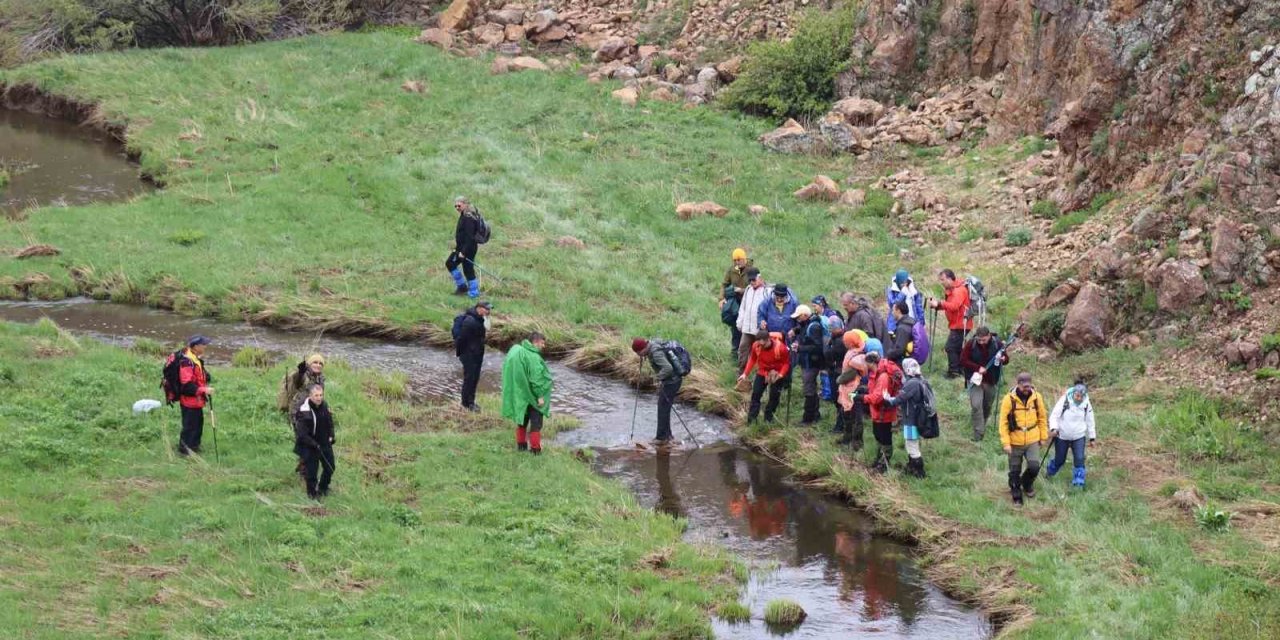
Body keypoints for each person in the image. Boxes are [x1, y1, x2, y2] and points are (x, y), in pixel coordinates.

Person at [998, 372, 1049, 506]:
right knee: (1014, 470)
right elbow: (1003, 422)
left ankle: (1026, 484)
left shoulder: (1037, 398)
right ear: (1018, 384)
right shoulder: (1008, 399)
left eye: (1028, 386)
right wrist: (1006, 442)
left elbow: (1042, 418)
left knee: (1034, 467)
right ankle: (1016, 495)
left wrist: (1043, 436)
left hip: (1033, 439)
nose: (1026, 389)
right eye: (1024, 386)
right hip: (1015, 441)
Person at [501, 332, 553, 454]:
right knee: (536, 424)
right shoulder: (533, 357)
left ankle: (521, 446)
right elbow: (536, 380)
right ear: (535, 342)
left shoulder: (517, 350)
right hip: (532, 397)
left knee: (522, 422)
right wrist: (540, 396)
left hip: (521, 394)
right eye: (542, 343)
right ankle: (535, 450)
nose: (543, 346)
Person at [883, 358, 934, 478]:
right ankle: (911, 467)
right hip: (917, 418)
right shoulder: (921, 380)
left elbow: (900, 399)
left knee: (912, 445)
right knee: (912, 443)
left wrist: (888, 399)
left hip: (911, 419)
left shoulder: (912, 383)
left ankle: (919, 473)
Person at [633, 337, 686, 444]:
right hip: (672, 380)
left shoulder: (656, 353)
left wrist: (658, 378)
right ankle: (667, 436)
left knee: (663, 408)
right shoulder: (653, 345)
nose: (639, 355)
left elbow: (668, 368)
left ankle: (662, 438)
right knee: (664, 407)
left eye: (639, 353)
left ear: (643, 349)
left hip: (672, 382)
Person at [960, 327, 1008, 441]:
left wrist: (1003, 359)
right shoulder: (971, 344)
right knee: (976, 406)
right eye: (979, 340)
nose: (981, 342)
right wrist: (977, 368)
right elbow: (963, 360)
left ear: (989, 336)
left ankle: (982, 425)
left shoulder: (998, 344)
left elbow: (1006, 360)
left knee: (987, 406)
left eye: (984, 340)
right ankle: (978, 434)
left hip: (991, 380)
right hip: (974, 380)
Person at [1047, 380, 1097, 489]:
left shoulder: (1086, 404)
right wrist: (1054, 428)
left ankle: (1078, 483)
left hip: (1079, 436)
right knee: (1060, 460)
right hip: (1062, 435)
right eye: (1077, 396)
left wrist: (1092, 437)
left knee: (1079, 459)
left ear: (1084, 396)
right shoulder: (1064, 400)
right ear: (1073, 393)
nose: (1078, 398)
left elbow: (1090, 420)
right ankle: (1050, 471)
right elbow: (1054, 416)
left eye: (1081, 397)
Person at [738, 332, 791, 424]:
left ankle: (768, 418)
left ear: (768, 340)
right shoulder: (756, 346)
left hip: (777, 373)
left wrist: (781, 375)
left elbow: (786, 364)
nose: (761, 346)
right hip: (762, 372)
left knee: (774, 397)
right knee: (756, 395)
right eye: (759, 344)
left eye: (763, 344)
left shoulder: (781, 348)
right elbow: (753, 359)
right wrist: (745, 374)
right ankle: (751, 421)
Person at [863, 352, 902, 473]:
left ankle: (884, 463)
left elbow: (878, 397)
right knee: (877, 434)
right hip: (877, 411)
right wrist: (864, 390)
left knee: (884, 437)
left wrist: (862, 397)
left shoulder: (883, 376)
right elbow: (874, 390)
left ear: (871, 363)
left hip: (884, 412)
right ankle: (879, 459)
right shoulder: (876, 373)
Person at [927, 269, 971, 378]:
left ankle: (953, 372)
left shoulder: (959, 290)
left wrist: (940, 303)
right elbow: (951, 306)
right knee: (957, 348)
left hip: (961, 324)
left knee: (950, 347)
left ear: (950, 279)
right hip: (959, 324)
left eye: (943, 280)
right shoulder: (953, 290)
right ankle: (960, 370)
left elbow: (954, 306)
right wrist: (938, 306)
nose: (941, 282)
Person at [294, 384, 336, 499]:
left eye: (321, 395)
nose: (319, 398)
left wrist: (332, 435)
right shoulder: (304, 410)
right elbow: (302, 434)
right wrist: (314, 444)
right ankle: (312, 494)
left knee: (330, 467)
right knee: (312, 472)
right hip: (310, 445)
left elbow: (330, 422)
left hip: (324, 443)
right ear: (310, 395)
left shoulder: (324, 405)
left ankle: (323, 487)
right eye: (316, 395)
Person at [176, 335, 214, 456]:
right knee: (189, 426)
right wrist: (204, 390)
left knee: (198, 424)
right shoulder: (187, 362)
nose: (205, 346)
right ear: (196, 346)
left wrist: (206, 376)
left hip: (197, 401)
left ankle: (194, 447)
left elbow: (199, 375)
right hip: (189, 402)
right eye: (203, 344)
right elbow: (186, 385)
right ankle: (184, 451)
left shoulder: (195, 358)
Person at [454, 300, 492, 412]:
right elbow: (461, 339)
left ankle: (471, 402)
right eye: (486, 309)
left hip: (477, 353)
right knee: (470, 379)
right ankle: (466, 404)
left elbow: (484, 331)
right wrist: (463, 353)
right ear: (479, 308)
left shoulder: (480, 318)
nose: (488, 311)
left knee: (474, 378)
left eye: (489, 309)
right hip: (469, 354)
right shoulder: (470, 321)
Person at [791, 304, 825, 425]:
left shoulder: (814, 327)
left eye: (799, 317)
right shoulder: (807, 323)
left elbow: (817, 347)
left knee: (809, 390)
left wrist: (800, 348)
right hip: (807, 362)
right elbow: (802, 329)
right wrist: (795, 330)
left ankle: (808, 419)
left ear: (805, 315)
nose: (797, 320)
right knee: (811, 388)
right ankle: (816, 415)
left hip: (811, 363)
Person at [835, 330, 869, 448]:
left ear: (851, 342)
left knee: (856, 416)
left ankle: (857, 443)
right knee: (847, 414)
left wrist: (840, 380)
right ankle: (847, 438)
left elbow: (852, 373)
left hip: (854, 388)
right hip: (847, 388)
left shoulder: (857, 356)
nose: (844, 342)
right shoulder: (853, 351)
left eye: (846, 341)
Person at [446, 196, 484, 298]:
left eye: (459, 205)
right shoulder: (464, 214)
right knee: (450, 263)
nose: (457, 208)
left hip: (468, 248)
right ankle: (462, 287)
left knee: (468, 269)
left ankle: (474, 293)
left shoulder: (468, 217)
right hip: (461, 247)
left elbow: (470, 237)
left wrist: (463, 251)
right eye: (455, 206)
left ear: (465, 204)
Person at [719, 248, 754, 360]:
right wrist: (721, 298)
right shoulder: (731, 270)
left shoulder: (752, 270)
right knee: (735, 328)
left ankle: (749, 355)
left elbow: (755, 287)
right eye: (735, 260)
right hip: (736, 304)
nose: (737, 262)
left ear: (744, 259)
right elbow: (724, 284)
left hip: (748, 304)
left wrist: (742, 290)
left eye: (739, 259)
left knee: (747, 329)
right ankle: (735, 353)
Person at [735, 268, 771, 370]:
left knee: (760, 351)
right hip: (747, 328)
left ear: (759, 278)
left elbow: (769, 310)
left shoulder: (767, 291)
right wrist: (740, 322)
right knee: (742, 348)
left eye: (754, 280)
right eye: (750, 280)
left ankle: (759, 374)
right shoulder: (748, 289)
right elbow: (743, 307)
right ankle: (742, 373)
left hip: (759, 329)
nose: (752, 282)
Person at [823, 316, 848, 435]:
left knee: (839, 399)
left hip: (838, 372)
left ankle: (841, 426)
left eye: (831, 328)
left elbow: (829, 355)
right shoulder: (839, 338)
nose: (830, 330)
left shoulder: (839, 341)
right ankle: (840, 424)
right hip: (837, 371)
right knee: (838, 399)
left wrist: (827, 346)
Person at [885, 269, 925, 335]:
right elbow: (893, 304)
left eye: (905, 283)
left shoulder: (912, 288)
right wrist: (902, 294)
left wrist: (921, 324)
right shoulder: (891, 290)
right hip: (896, 324)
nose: (904, 285)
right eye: (902, 283)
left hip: (912, 321)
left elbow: (919, 307)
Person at [885, 300, 917, 365]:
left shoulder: (902, 328)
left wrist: (887, 355)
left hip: (904, 362)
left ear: (898, 311)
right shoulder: (911, 321)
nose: (892, 313)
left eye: (893, 310)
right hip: (911, 359)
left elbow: (899, 350)